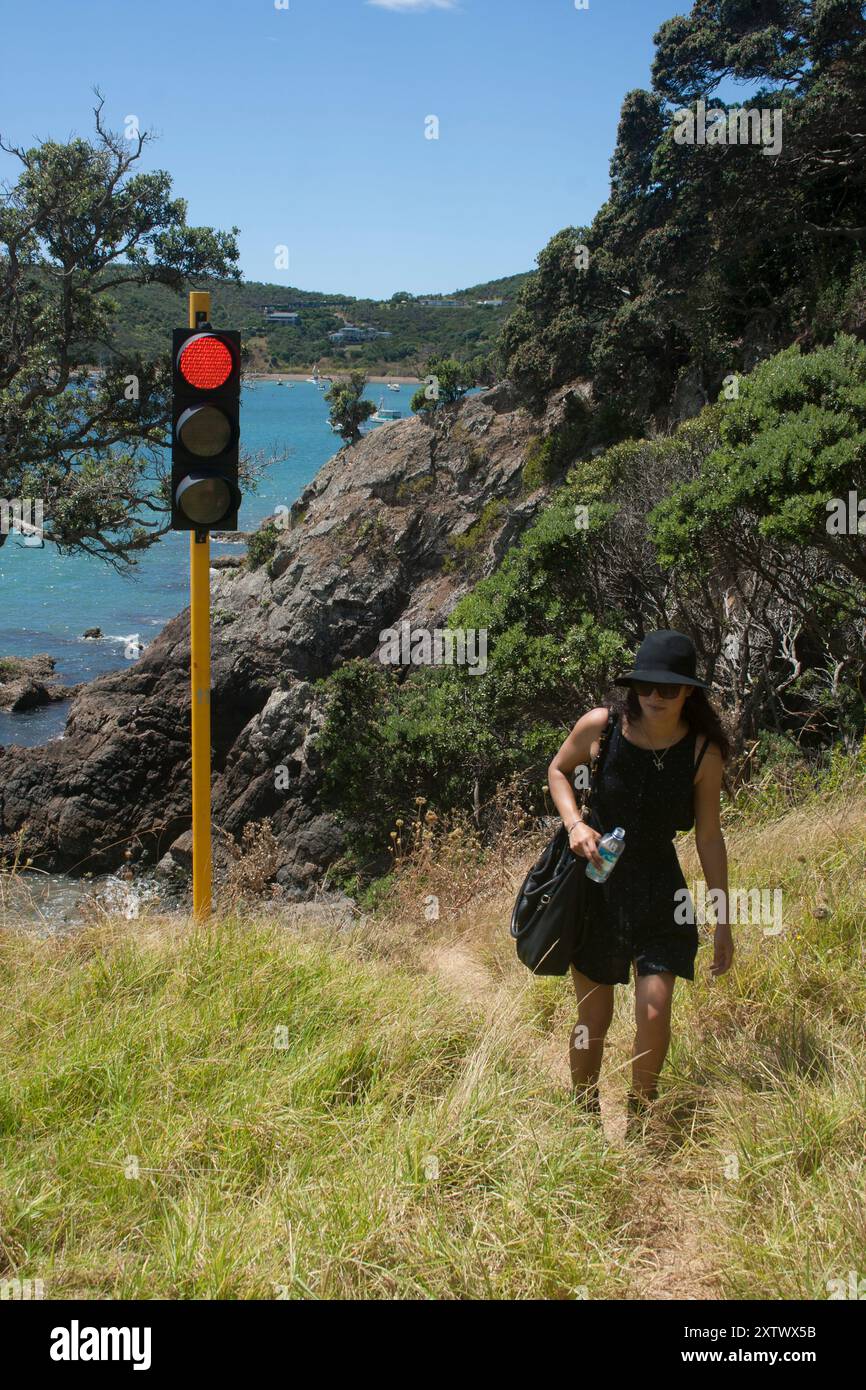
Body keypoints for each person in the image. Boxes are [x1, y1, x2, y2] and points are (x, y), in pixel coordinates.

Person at [547, 629, 733, 1132]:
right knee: (594, 1017)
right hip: (597, 879)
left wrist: (723, 919)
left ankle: (641, 1114)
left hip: (661, 888)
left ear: (688, 692)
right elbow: (559, 772)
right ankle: (582, 1114)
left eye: (668, 688)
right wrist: (575, 824)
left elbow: (710, 838)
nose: (653, 696)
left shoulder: (702, 754)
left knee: (655, 1009)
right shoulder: (602, 727)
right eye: (644, 685)